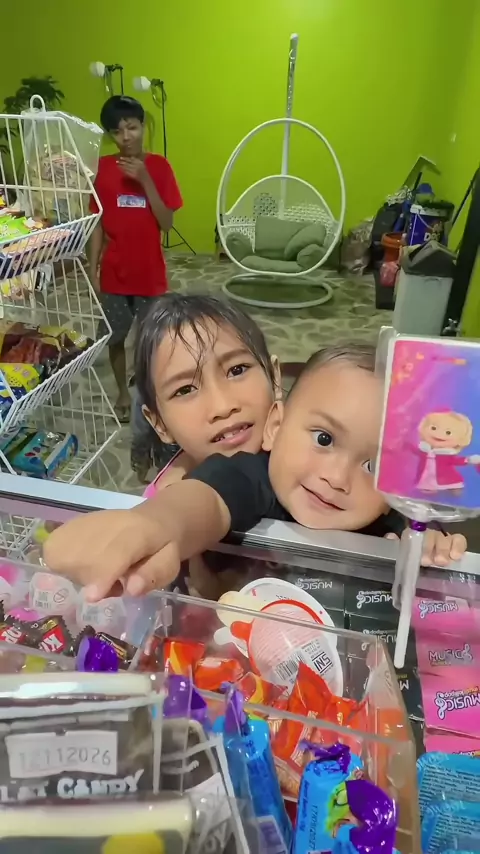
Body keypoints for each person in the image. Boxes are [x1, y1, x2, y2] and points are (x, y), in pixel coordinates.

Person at [44, 343, 467, 600]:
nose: (338, 478)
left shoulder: (389, 514)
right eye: (323, 439)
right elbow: (205, 500)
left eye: (374, 465)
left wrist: (425, 544)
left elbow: (417, 531)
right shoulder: (253, 477)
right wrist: (157, 522)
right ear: (276, 425)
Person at [89, 95, 183, 422]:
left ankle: (150, 392)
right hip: (114, 273)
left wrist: (144, 179)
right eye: (116, 131)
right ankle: (121, 392)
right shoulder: (101, 169)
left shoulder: (159, 167)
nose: (125, 137)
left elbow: (167, 223)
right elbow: (97, 223)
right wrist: (92, 267)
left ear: (142, 126)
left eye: (131, 127)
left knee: (151, 343)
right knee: (114, 337)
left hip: (149, 273)